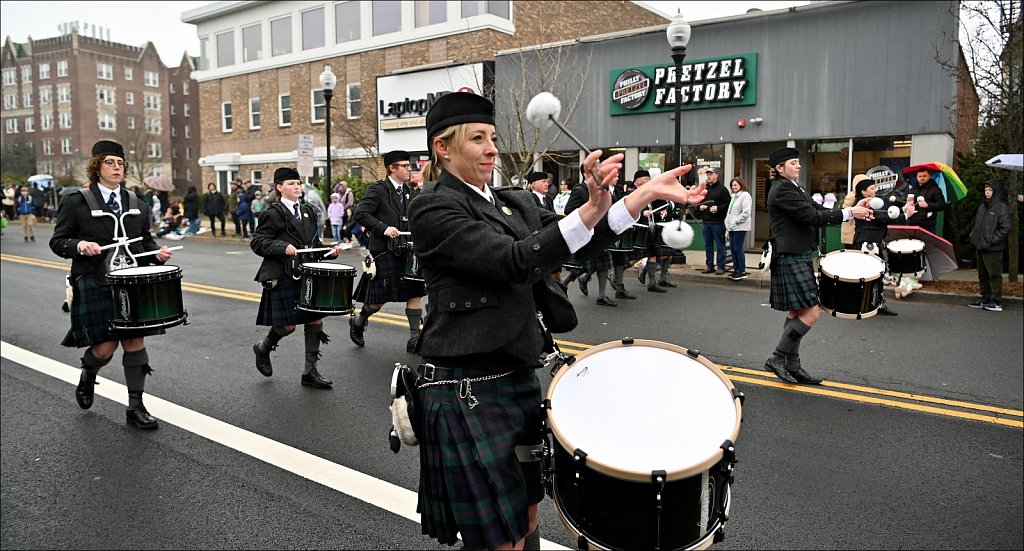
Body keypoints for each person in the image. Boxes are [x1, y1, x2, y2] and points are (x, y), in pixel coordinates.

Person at [407, 91, 703, 551]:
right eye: (478, 139)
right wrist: (587, 209)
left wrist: (639, 194)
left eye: (493, 137)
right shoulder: (433, 207)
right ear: (442, 148)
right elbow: (513, 260)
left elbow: (576, 242)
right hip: (468, 388)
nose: (492, 148)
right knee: (498, 537)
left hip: (518, 374)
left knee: (526, 515)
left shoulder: (515, 201)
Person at [49, 140, 174, 429]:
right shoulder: (75, 201)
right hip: (96, 280)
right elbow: (58, 241)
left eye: (120, 164)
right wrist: (80, 245)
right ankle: (88, 374)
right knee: (105, 348)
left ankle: (136, 406)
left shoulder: (136, 203)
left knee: (134, 341)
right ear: (96, 167)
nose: (117, 168)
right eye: (110, 163)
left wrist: (156, 252)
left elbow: (144, 240)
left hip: (132, 282)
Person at [763, 147, 873, 385]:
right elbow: (812, 218)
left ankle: (793, 366)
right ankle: (777, 358)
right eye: (794, 162)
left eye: (798, 161)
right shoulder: (782, 190)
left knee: (796, 313)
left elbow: (819, 210)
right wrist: (848, 212)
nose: (799, 165)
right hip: (790, 256)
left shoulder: (795, 187)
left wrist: (852, 211)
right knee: (812, 313)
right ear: (779, 168)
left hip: (799, 254)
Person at [251, 167, 342, 388]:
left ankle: (310, 372)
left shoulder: (309, 211)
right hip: (284, 274)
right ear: (279, 187)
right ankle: (263, 347)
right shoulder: (271, 213)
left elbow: (313, 244)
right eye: (291, 183)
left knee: (315, 319)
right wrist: (282, 247)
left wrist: (328, 251)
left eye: (298, 183)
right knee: (289, 326)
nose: (296, 187)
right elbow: (258, 242)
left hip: (308, 274)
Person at [350, 150, 425, 353]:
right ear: (392, 168)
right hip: (384, 251)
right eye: (405, 165)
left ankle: (414, 338)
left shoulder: (411, 193)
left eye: (410, 165)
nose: (410, 169)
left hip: (407, 252)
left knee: (415, 294)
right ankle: (359, 321)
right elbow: (361, 213)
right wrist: (384, 228)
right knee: (377, 302)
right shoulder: (378, 190)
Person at [852, 177, 915, 316]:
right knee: (869, 275)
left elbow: (884, 215)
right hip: (866, 245)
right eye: (872, 188)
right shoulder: (862, 206)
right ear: (863, 192)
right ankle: (866, 304)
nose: (875, 190)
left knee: (876, 275)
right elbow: (883, 218)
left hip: (872, 244)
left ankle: (875, 303)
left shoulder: (872, 204)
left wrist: (904, 208)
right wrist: (905, 215)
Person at [564, 164, 617, 306]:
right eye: (595, 170)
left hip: (601, 232)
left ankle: (601, 296)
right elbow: (569, 210)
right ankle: (562, 286)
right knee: (580, 265)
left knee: (603, 265)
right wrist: (587, 217)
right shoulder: (580, 190)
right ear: (586, 172)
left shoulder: (600, 188)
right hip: (587, 233)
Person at [968, 180, 1011, 312]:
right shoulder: (982, 206)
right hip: (980, 246)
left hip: (993, 248)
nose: (987, 192)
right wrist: (973, 237)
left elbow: (1006, 228)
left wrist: (992, 240)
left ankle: (996, 301)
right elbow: (977, 225)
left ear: (996, 191)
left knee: (994, 274)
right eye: (986, 190)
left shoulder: (1001, 208)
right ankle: (985, 298)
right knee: (982, 274)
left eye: (990, 190)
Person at [635, 170, 677, 292]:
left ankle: (660, 278)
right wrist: (658, 213)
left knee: (666, 253)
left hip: (666, 225)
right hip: (651, 226)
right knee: (649, 254)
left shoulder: (668, 192)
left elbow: (672, 207)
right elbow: (649, 208)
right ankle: (642, 270)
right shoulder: (654, 192)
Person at [699, 167, 730, 275]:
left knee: (720, 245)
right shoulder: (704, 189)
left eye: (711, 174)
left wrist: (718, 208)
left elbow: (727, 204)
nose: (708, 176)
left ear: (716, 175)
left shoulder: (723, 189)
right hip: (706, 222)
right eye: (707, 175)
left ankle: (721, 266)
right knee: (708, 245)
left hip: (718, 222)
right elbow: (698, 201)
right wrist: (700, 207)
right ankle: (709, 265)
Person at [724, 177, 752, 280]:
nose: (733, 187)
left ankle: (742, 271)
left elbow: (746, 212)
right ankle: (736, 270)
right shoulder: (734, 197)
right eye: (732, 185)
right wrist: (728, 225)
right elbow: (730, 212)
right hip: (731, 227)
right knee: (733, 249)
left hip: (740, 227)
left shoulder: (745, 195)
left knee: (738, 248)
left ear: (741, 185)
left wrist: (736, 221)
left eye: (735, 185)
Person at [906, 168, 946, 234]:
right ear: (916, 177)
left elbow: (942, 205)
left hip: (928, 224)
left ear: (929, 176)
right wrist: (907, 203)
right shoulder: (912, 190)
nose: (922, 178)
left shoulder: (935, 189)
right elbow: (905, 205)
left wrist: (928, 205)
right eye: (920, 176)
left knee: (928, 243)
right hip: (912, 222)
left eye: (924, 176)